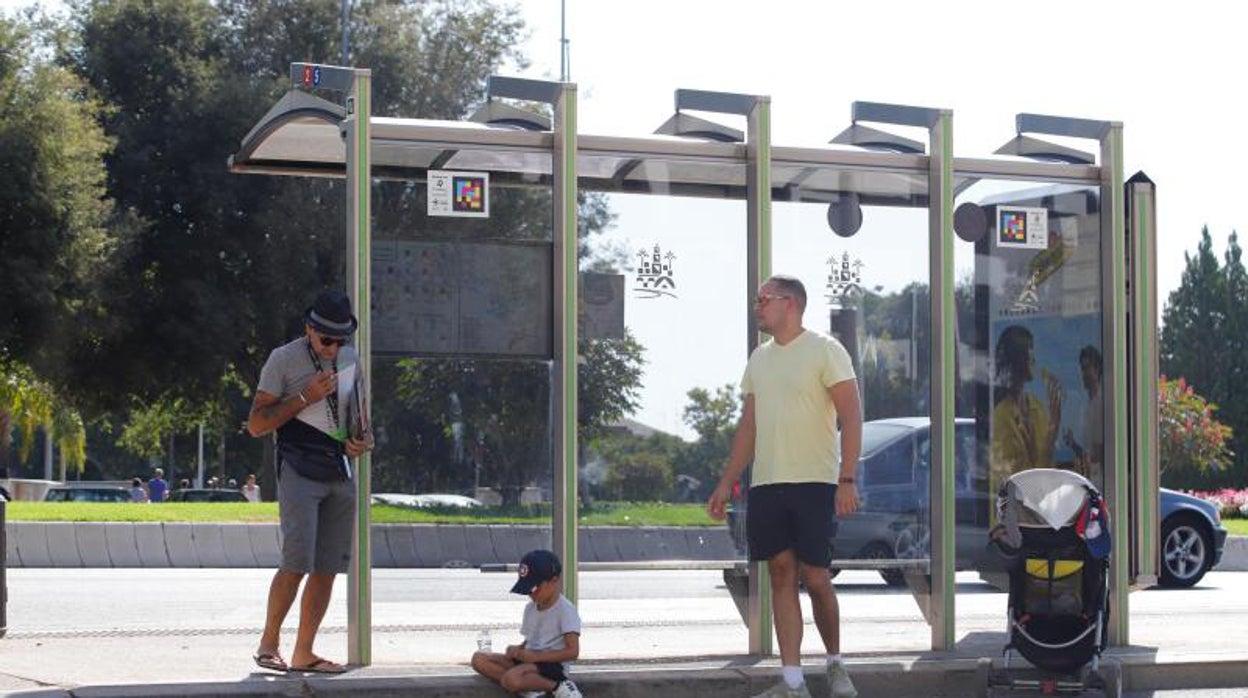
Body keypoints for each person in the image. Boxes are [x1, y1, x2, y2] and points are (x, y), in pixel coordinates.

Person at [707, 275, 862, 698]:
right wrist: (726, 482)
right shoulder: (759, 358)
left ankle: (835, 665)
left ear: (790, 304)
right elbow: (749, 426)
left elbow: (852, 414)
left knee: (816, 578)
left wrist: (847, 478)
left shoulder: (826, 350)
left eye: (764, 299)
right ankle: (793, 682)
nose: (757, 306)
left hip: (815, 482)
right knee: (780, 574)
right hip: (767, 483)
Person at [247, 290, 373, 674]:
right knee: (296, 561)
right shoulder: (283, 359)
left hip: (339, 472)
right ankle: (269, 645)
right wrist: (305, 396)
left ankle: (305, 651)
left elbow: (361, 423)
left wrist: (362, 440)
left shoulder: (351, 361)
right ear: (309, 331)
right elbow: (256, 425)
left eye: (340, 340)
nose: (334, 348)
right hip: (299, 469)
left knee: (327, 567)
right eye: (326, 340)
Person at [470, 549, 583, 698]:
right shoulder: (530, 608)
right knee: (479, 659)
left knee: (511, 679)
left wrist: (536, 657)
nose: (531, 594)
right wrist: (517, 649)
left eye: (535, 588)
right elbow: (531, 639)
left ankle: (558, 687)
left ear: (554, 580)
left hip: (550, 666)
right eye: (527, 590)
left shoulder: (565, 610)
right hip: (528, 662)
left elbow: (572, 652)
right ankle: (528, 687)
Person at [990, 325, 1063, 486]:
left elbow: (1049, 471)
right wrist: (1051, 431)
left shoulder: (1037, 408)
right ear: (1017, 358)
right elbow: (1017, 482)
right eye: (1029, 349)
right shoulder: (1001, 417)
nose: (1033, 357)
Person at [1063, 345, 1103, 484]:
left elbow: (1098, 453)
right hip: (1088, 478)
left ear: (1097, 370)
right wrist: (1073, 443)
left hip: (1100, 481)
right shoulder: (1087, 404)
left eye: (1087, 368)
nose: (1083, 373)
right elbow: (1087, 451)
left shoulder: (1102, 403)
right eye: (1082, 368)